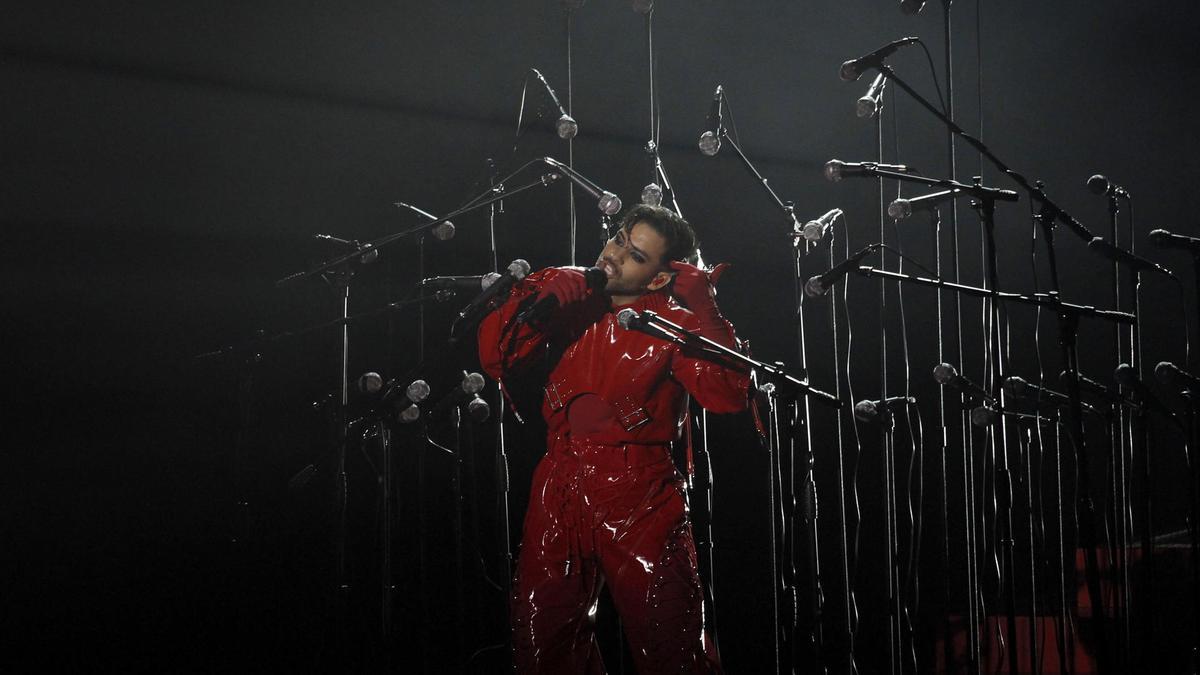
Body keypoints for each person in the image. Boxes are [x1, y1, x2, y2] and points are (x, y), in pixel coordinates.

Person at [478, 204, 749, 674]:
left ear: (659, 279)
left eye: (635, 254)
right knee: (542, 642)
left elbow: (726, 395)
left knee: (671, 641)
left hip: (638, 492)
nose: (615, 254)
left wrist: (706, 313)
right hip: (559, 481)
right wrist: (535, 294)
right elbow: (495, 356)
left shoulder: (674, 327)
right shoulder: (575, 304)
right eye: (619, 238)